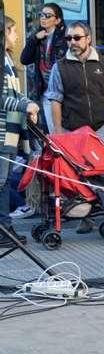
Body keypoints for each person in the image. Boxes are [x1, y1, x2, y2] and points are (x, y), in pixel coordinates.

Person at [45, 21, 104, 232]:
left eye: (77, 38)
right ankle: (87, 219)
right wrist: (58, 132)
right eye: (68, 38)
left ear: (88, 38)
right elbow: (55, 100)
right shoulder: (60, 66)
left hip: (101, 128)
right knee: (79, 176)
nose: (72, 42)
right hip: (73, 130)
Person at [1, 15, 40, 247]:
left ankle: (6, 228)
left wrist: (29, 103)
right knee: (1, 183)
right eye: (13, 31)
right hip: (3, 132)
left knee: (4, 182)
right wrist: (26, 106)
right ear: (3, 32)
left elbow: (15, 94)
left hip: (10, 132)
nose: (16, 36)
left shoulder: (7, 58)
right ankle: (4, 230)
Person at [20, 2, 67, 131]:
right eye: (41, 15)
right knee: (53, 131)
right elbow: (24, 59)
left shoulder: (64, 38)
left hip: (63, 92)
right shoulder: (38, 36)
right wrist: (35, 39)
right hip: (46, 91)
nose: (43, 18)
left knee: (66, 131)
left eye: (48, 15)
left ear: (57, 20)